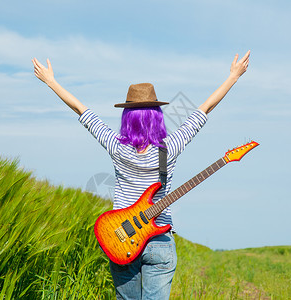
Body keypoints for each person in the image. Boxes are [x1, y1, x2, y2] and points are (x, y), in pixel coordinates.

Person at [32, 51, 250, 299]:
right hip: (159, 242)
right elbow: (204, 110)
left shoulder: (116, 146)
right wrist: (233, 76)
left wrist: (51, 82)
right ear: (158, 117)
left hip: (121, 237)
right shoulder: (172, 146)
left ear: (127, 118)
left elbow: (82, 111)